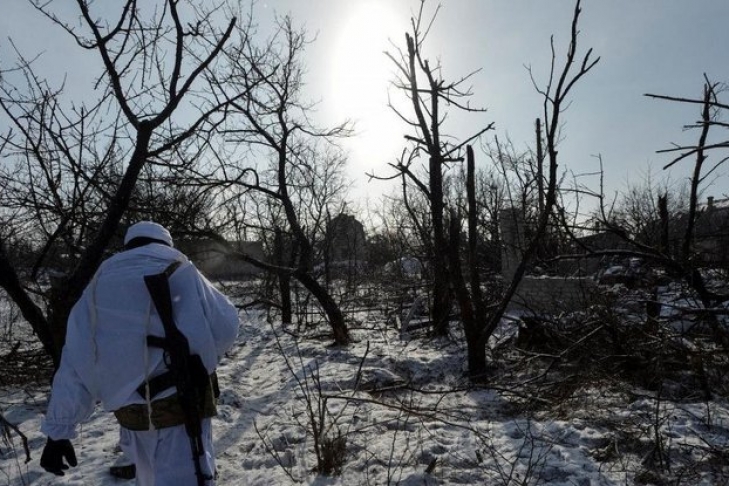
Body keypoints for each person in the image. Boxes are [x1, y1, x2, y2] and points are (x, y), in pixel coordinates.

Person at [39, 221, 240, 485]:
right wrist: (201, 358)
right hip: (183, 408)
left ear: (129, 246)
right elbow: (227, 326)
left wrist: (58, 432)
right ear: (165, 243)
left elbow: (76, 362)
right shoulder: (181, 269)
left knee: (149, 479)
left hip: (132, 418)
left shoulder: (97, 286)